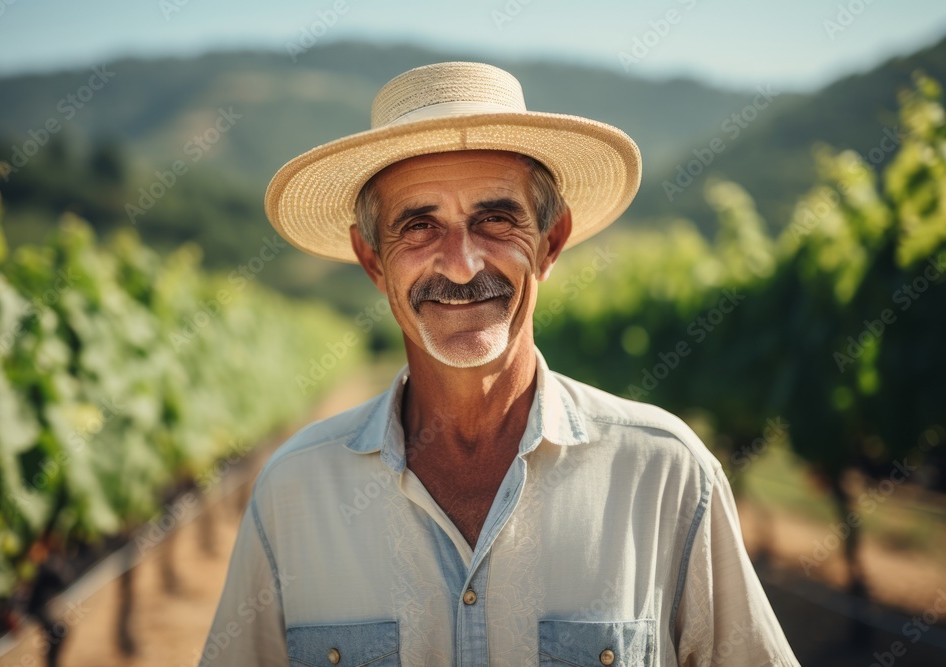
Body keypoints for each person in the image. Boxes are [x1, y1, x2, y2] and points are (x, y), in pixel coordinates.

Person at [200, 61, 800, 666]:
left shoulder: (666, 472)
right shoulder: (294, 492)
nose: (461, 265)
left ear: (550, 241)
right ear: (372, 258)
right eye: (418, 226)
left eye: (496, 220)